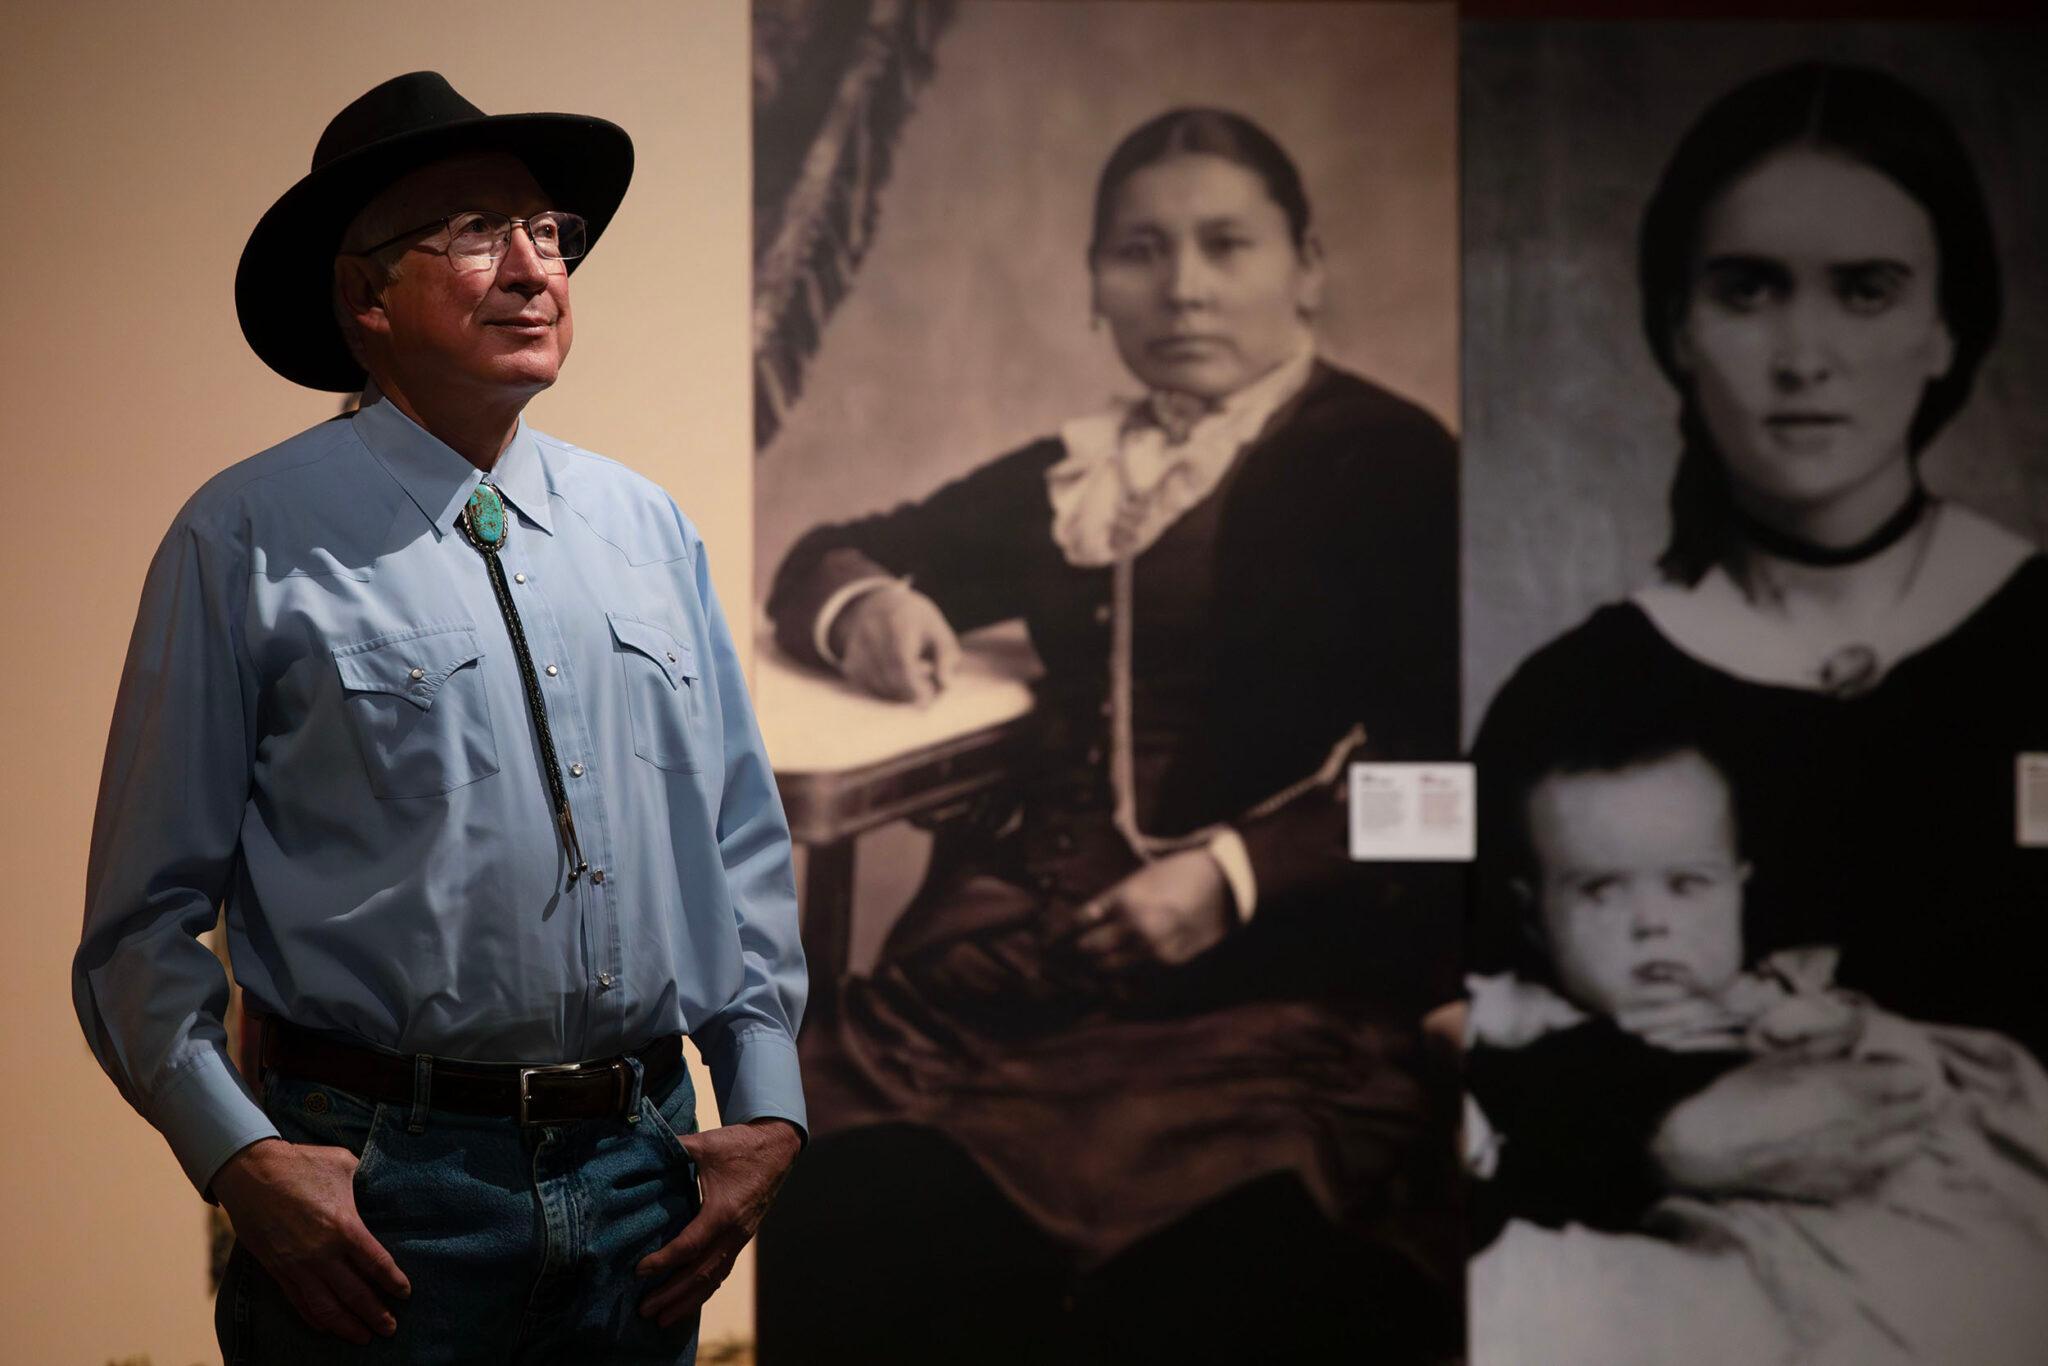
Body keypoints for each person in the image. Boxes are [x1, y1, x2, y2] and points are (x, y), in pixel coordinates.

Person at [73, 72, 806, 1365]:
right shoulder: (247, 537)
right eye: (476, 231)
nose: (533, 268)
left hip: (644, 1179)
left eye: (549, 232)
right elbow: (137, 928)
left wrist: (767, 1107)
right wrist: (239, 1155)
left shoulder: (647, 530)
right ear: (367, 298)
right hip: (380, 1201)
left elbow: (739, 840)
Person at [758, 108, 1461, 1363]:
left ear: (1305, 265)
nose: (1181, 287)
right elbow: (823, 553)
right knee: (836, 1204)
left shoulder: (1385, 462)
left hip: (1257, 988)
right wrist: (871, 604)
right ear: (1093, 284)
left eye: (1225, 245)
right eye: (1138, 250)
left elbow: (1449, 781)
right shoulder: (1075, 473)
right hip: (997, 978)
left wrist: (1235, 873)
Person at [1467, 56, 2048, 1334]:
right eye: (1746, 291)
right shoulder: (1569, 699)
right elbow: (1441, 1037)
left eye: (1865, 291)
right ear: (1674, 326)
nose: (1804, 355)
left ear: (1947, 326)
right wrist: (1655, 1135)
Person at [1464, 723, 2048, 1364]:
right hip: (1730, 1262)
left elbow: (1914, 1081)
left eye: (1688, 884)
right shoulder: (1528, 1025)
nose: (1653, 923)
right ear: (1535, 917)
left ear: (1740, 887)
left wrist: (1844, 1034)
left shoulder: (1790, 993)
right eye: (1602, 890)